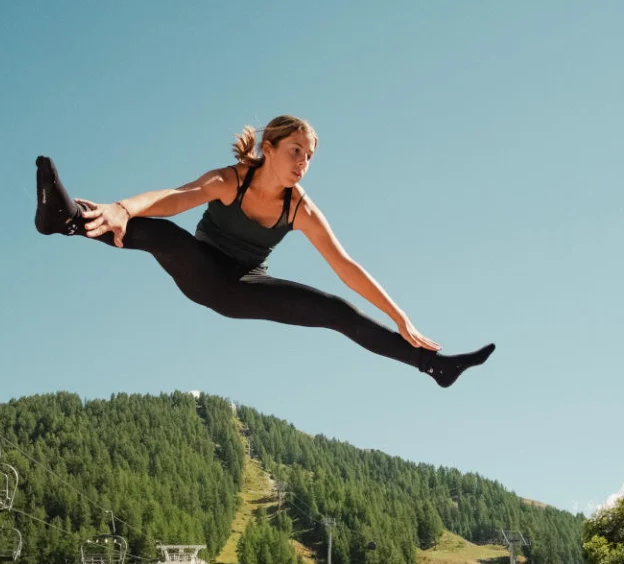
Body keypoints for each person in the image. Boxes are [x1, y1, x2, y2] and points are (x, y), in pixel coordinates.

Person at [34, 115, 494, 386]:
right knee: (160, 232)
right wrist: (120, 207)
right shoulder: (232, 179)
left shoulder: (300, 209)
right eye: (295, 150)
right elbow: (174, 198)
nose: (303, 163)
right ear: (269, 148)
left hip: (244, 288)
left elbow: (345, 266)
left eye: (309, 157)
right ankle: (68, 219)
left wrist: (401, 318)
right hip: (202, 270)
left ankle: (434, 366)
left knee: (336, 309)